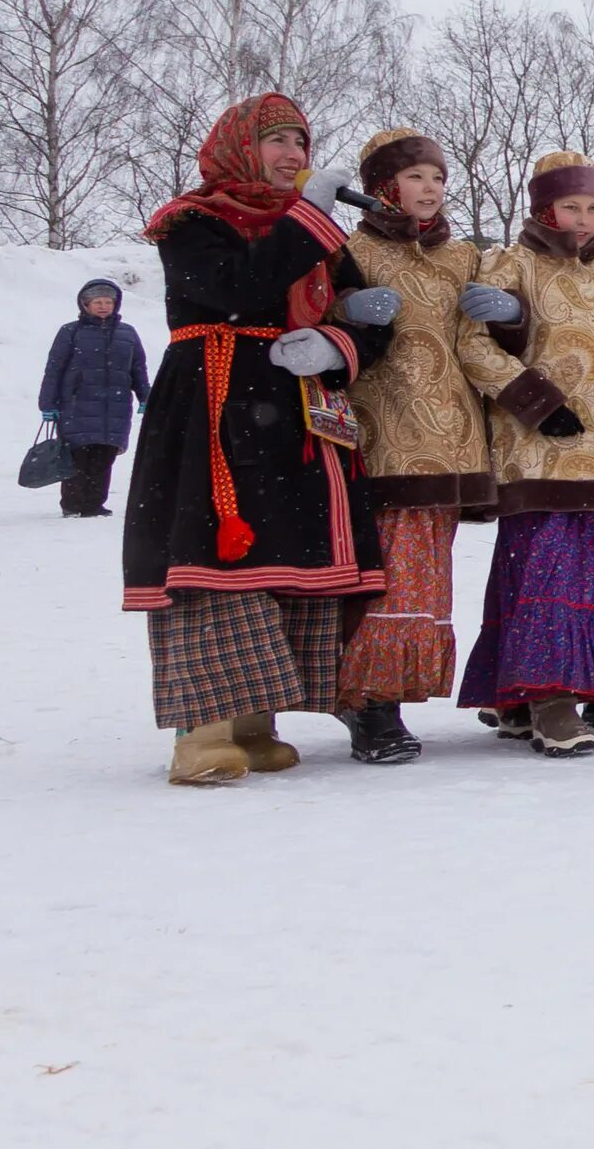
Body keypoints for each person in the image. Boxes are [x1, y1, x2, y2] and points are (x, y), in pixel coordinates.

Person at [125, 93, 390, 787]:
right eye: (278, 142)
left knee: (283, 559)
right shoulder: (193, 221)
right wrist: (311, 218)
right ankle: (201, 734)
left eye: (301, 143)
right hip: (213, 407)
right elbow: (235, 288)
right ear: (240, 147)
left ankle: (254, 720)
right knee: (214, 557)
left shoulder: (315, 235)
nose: (294, 157)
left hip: (296, 417)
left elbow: (370, 324)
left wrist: (337, 342)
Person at [453, 152, 594, 757]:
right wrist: (535, 401)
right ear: (544, 207)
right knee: (541, 569)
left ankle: (521, 695)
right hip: (534, 448)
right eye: (570, 206)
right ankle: (551, 701)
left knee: (573, 575)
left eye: (592, 207)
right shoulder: (509, 263)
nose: (582, 219)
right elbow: (474, 346)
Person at [332, 130, 494, 763]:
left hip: (452, 436)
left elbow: (482, 339)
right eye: (416, 177)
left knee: (428, 575)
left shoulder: (460, 258)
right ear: (382, 186)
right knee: (389, 574)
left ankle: (392, 693)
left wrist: (509, 314)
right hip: (383, 429)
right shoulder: (350, 249)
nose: (430, 190)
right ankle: (368, 703)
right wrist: (346, 307)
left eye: (438, 178)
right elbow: (311, 312)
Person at [41, 276, 149, 518]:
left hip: (116, 406)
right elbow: (54, 369)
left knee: (105, 456)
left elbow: (138, 369)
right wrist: (48, 403)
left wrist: (145, 396)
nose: (103, 306)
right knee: (78, 456)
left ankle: (94, 504)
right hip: (77, 404)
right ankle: (72, 503)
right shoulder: (71, 332)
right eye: (97, 302)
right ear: (85, 305)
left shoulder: (128, 333)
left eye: (108, 302)